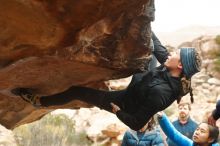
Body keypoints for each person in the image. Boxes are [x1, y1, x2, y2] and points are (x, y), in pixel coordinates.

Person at [11, 32, 202, 131]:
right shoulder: (170, 67)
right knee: (150, 47)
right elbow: (158, 47)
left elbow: (136, 123)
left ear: (181, 67)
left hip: (124, 102)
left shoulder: (161, 93)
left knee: (77, 91)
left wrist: (117, 111)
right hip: (143, 82)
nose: (173, 53)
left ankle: (37, 101)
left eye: (177, 54)